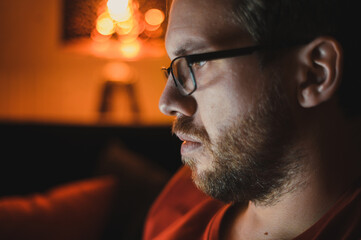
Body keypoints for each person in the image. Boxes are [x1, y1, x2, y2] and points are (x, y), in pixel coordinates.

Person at [143, 0, 361, 239]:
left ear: (314, 74)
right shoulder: (177, 206)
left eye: (197, 61)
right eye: (173, 67)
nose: (166, 102)